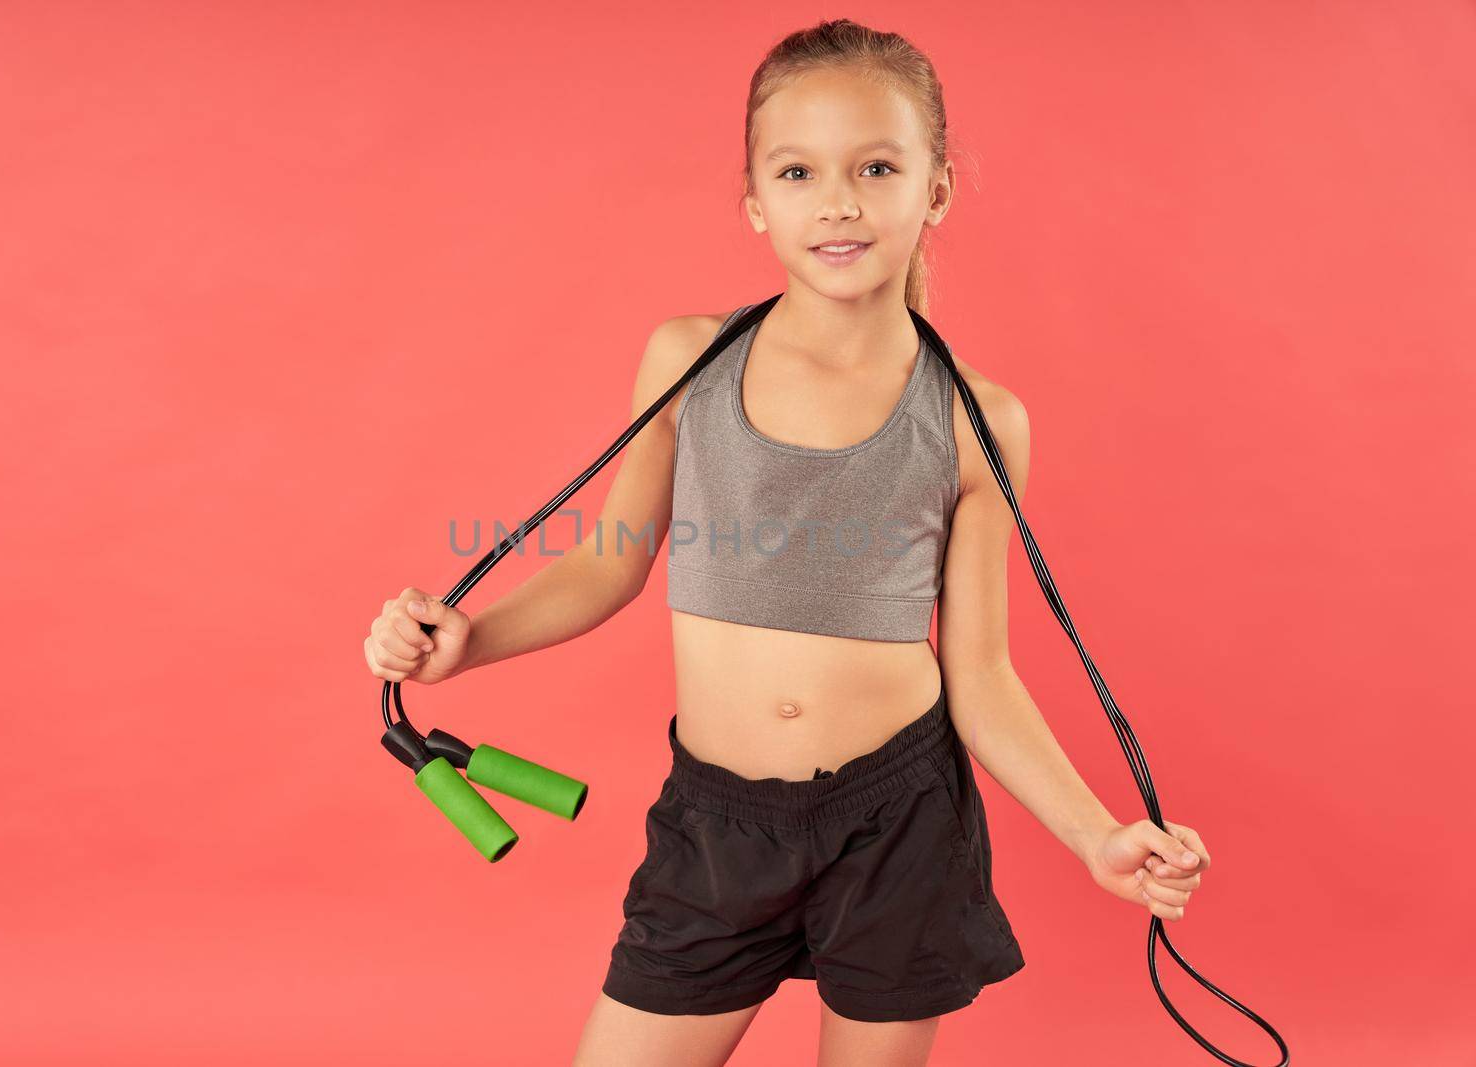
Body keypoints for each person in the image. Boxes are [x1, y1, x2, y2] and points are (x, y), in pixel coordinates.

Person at [363, 18, 1212, 1067]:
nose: (840, 199)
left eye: (877, 166)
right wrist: (468, 641)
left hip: (898, 821)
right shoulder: (688, 362)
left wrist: (1097, 834)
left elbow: (980, 671)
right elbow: (606, 562)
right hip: (715, 822)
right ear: (757, 201)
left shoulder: (977, 421)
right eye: (800, 170)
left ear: (935, 189)